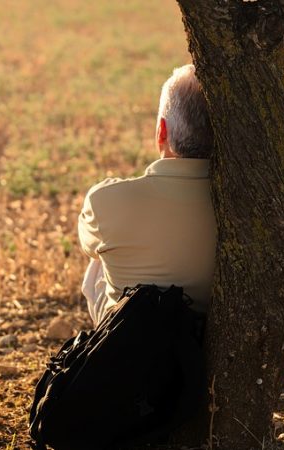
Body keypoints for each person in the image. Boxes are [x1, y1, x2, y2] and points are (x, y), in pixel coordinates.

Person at [78, 64, 216, 325]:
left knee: (99, 258)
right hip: (202, 344)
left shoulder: (105, 200)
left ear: (161, 131)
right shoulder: (242, 206)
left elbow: (86, 244)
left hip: (129, 345)